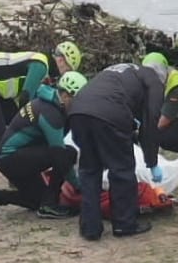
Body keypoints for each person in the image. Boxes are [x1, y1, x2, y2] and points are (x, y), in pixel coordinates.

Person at [66, 62, 166, 241]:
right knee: (121, 169)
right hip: (109, 114)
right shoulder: (155, 81)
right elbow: (151, 121)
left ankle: (90, 227)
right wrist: (152, 162)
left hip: (78, 110)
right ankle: (124, 224)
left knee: (89, 170)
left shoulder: (121, 70)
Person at [0, 42, 83, 190]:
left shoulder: (45, 69)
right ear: (61, 60)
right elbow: (26, 97)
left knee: (12, 132)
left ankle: (15, 174)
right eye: (67, 69)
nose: (64, 75)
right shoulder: (41, 65)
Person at [0, 71, 88, 221]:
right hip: (12, 158)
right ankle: (49, 205)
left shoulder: (48, 100)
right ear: (66, 96)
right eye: (78, 101)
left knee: (36, 200)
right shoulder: (51, 115)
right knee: (67, 154)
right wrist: (79, 187)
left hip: (10, 157)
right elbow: (59, 156)